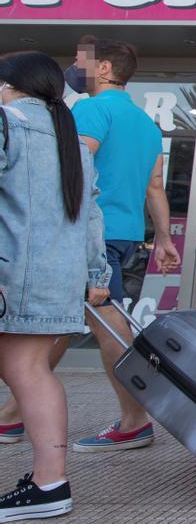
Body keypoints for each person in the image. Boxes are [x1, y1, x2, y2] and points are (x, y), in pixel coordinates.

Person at [0, 37, 181, 453]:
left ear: (102, 69)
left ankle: (135, 420)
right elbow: (155, 185)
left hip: (89, 234)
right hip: (127, 233)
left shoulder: (89, 110)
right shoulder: (144, 123)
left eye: (81, 61)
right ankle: (12, 415)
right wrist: (165, 238)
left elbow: (71, 167)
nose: (74, 68)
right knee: (70, 320)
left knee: (106, 322)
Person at [0, 52, 109, 521]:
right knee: (30, 369)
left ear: (9, 84)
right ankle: (50, 481)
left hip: (12, 272)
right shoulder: (71, 140)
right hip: (55, 275)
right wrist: (96, 277)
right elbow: (90, 216)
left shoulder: (8, 121)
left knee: (26, 371)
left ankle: (49, 483)